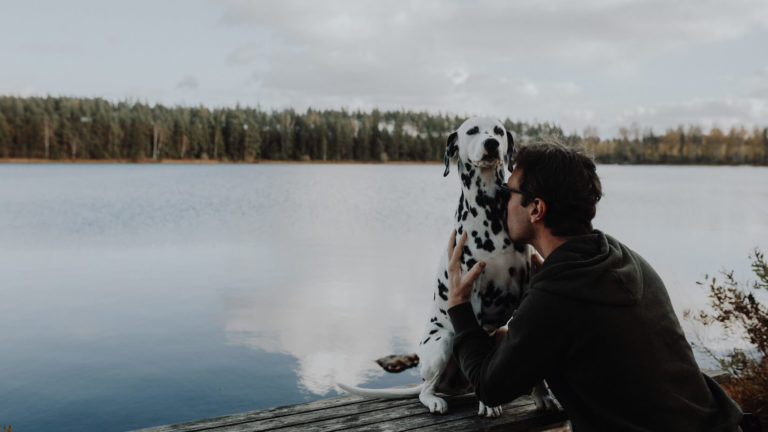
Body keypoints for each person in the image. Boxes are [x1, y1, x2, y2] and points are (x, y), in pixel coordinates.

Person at [446, 142, 745, 431]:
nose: (502, 202)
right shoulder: (625, 259)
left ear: (536, 209)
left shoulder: (556, 296)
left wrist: (459, 305)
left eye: (507, 191)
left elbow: (489, 387)